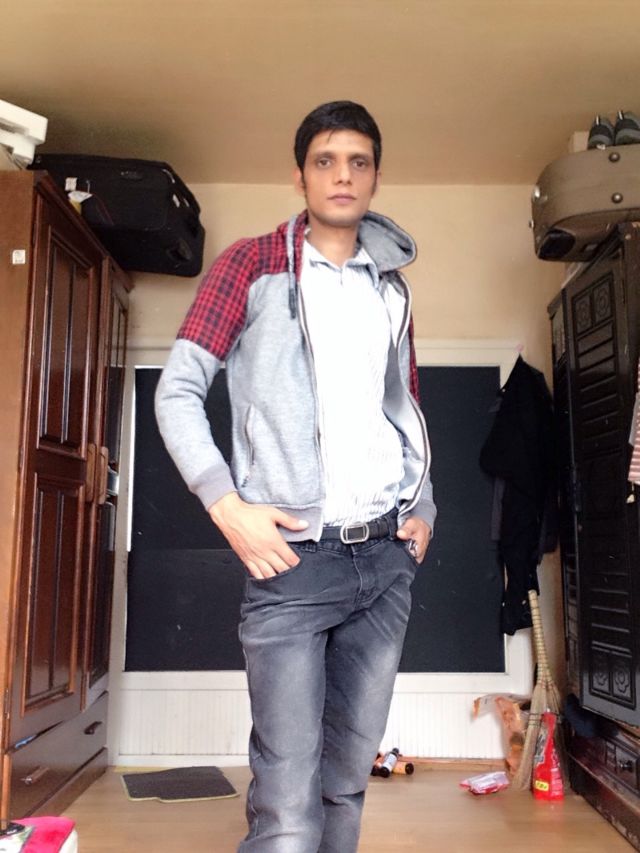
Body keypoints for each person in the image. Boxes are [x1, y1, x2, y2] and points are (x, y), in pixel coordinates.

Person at [155, 100, 436, 853]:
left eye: (358, 161)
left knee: (346, 781)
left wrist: (425, 503)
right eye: (325, 160)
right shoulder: (251, 265)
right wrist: (227, 505)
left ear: (375, 177)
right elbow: (177, 391)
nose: (342, 175)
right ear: (300, 176)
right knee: (286, 805)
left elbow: (403, 406)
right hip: (292, 563)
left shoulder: (390, 288)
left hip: (385, 560)